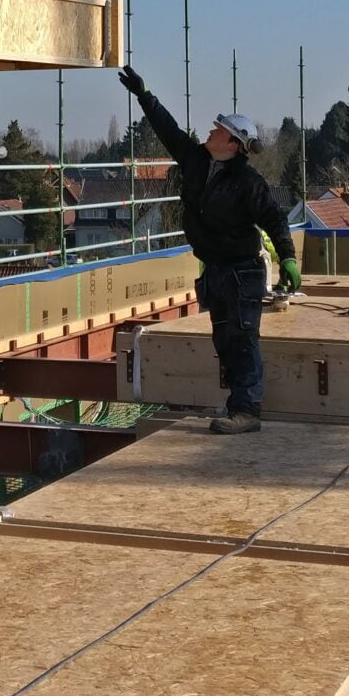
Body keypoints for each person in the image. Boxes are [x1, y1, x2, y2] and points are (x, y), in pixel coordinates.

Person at [118, 65, 298, 434]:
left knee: (242, 337)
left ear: (232, 143)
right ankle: (238, 405)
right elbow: (168, 130)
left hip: (242, 270)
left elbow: (275, 220)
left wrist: (289, 258)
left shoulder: (248, 183)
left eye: (218, 130)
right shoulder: (197, 160)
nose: (210, 131)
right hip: (214, 267)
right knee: (224, 339)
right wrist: (144, 95)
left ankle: (247, 411)